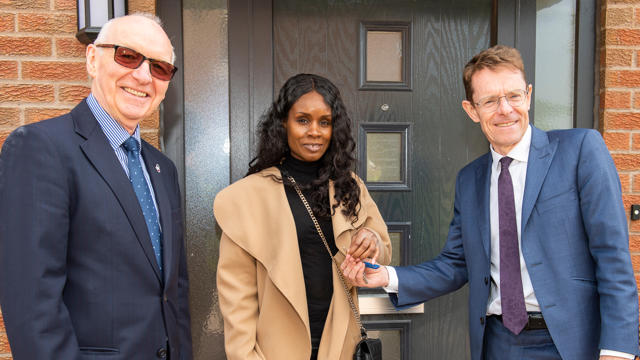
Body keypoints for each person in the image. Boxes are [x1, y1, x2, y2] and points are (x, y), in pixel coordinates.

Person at [342, 45, 639, 360]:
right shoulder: (470, 180)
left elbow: (613, 258)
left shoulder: (580, 151)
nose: (505, 109)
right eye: (490, 101)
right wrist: (387, 276)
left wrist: (617, 351)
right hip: (498, 345)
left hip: (571, 344)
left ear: (528, 95)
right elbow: (455, 265)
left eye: (513, 96)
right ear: (471, 110)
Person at [0, 14, 192, 359]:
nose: (144, 76)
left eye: (160, 68)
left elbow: (174, 294)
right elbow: (32, 306)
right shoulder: (40, 149)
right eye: (128, 56)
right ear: (92, 59)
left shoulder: (164, 169)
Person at [214, 73, 392, 360]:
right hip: (275, 351)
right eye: (303, 120)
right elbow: (238, 301)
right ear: (283, 123)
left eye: (325, 122)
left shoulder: (350, 186)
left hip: (341, 347)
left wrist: (372, 241)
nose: (315, 131)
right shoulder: (248, 197)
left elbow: (382, 255)